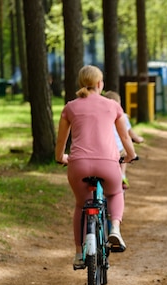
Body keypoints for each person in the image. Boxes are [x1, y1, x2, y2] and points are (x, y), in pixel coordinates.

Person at [55, 65, 137, 268]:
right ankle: (115, 229)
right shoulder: (112, 105)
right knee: (115, 193)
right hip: (108, 164)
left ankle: (77, 253)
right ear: (100, 84)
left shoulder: (70, 107)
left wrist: (60, 158)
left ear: (81, 84)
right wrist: (131, 155)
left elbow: (61, 141)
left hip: (78, 164)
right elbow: (125, 136)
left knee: (80, 205)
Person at [103, 90, 145, 189]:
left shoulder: (101, 117)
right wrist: (139, 139)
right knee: (125, 152)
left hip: (103, 149)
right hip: (117, 150)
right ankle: (122, 175)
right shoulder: (122, 117)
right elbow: (131, 135)